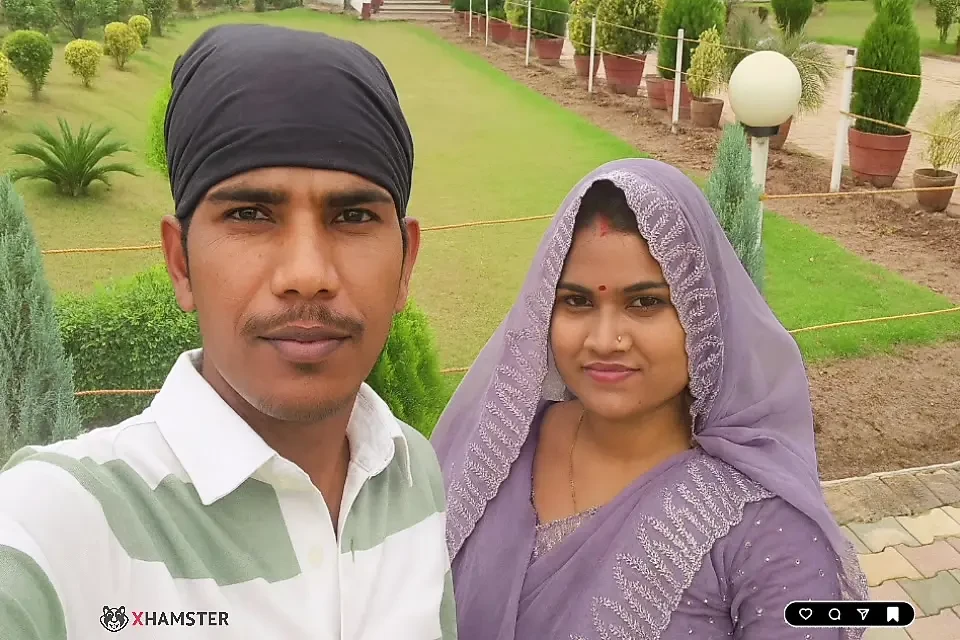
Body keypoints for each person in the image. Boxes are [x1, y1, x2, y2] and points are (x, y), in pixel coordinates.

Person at [0, 24, 455, 640]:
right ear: (181, 263)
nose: (307, 275)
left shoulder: (412, 472)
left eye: (352, 216)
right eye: (249, 214)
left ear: (406, 263)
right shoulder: (59, 522)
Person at [430, 158, 868, 640]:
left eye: (645, 302)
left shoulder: (767, 529)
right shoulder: (496, 451)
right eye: (576, 301)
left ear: (701, 315)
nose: (604, 340)